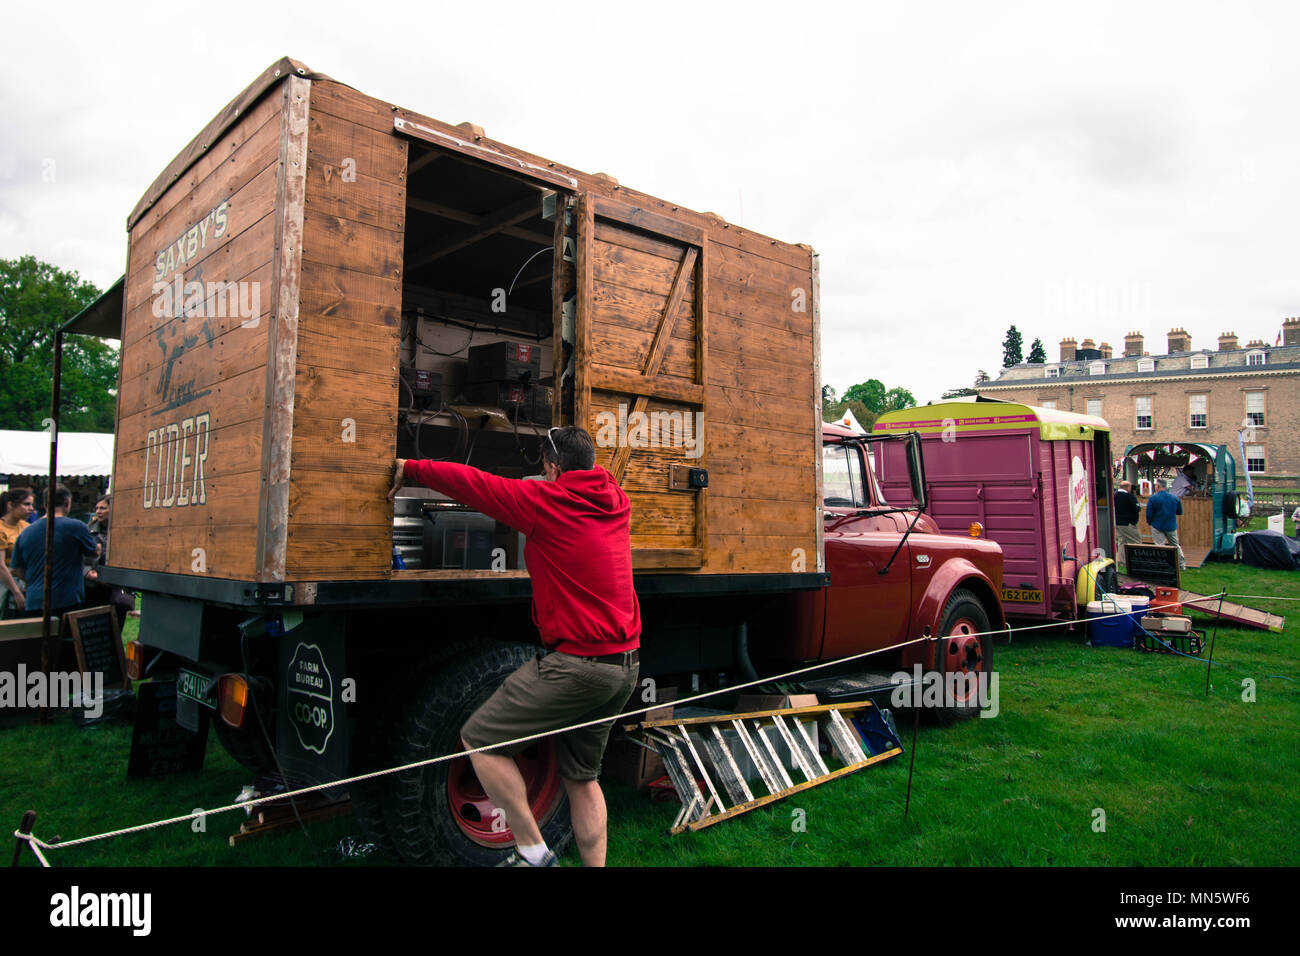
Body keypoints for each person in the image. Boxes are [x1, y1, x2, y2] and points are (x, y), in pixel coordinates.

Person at [387, 426, 640, 867]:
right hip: (624, 666)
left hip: (578, 665)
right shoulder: (615, 500)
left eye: (544, 465)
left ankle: (533, 854)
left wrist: (410, 467)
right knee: (582, 778)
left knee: (481, 740)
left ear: (552, 467)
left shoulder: (545, 503)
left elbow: (476, 484)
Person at [10, 484, 100, 624]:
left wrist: (34, 579)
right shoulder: (76, 526)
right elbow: (93, 552)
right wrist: (98, 547)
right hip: (67, 599)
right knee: (66, 643)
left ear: (45, 504)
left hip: (35, 600)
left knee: (38, 643)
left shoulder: (26, 532)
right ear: (67, 503)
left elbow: (15, 569)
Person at [84, 494, 133, 629]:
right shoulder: (88, 530)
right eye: (97, 508)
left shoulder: (125, 531)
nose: (98, 511)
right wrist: (87, 572)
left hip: (116, 587)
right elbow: (79, 557)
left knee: (115, 627)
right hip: (94, 587)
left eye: (103, 508)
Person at [0, 487, 35, 618]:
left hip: (25, 581)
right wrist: (16, 592)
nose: (31, 508)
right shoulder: (1, 528)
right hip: (5, 584)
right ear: (10, 505)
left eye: (32, 504)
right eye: (26, 504)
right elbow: (1, 566)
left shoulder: (26, 527)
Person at [1145, 479, 1185, 571]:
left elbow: (1149, 513)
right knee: (1175, 545)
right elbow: (1179, 511)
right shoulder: (1175, 498)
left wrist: (1149, 522)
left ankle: (1162, 565)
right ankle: (1181, 564)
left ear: (1158, 486)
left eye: (1155, 485)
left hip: (1157, 525)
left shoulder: (1153, 498)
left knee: (1159, 546)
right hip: (1171, 525)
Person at [1114, 480, 1141, 568]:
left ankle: (1123, 562)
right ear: (1127, 487)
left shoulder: (1114, 496)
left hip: (1117, 522)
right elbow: (1136, 508)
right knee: (1135, 542)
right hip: (1127, 523)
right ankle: (1137, 561)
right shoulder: (1129, 496)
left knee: (1122, 542)